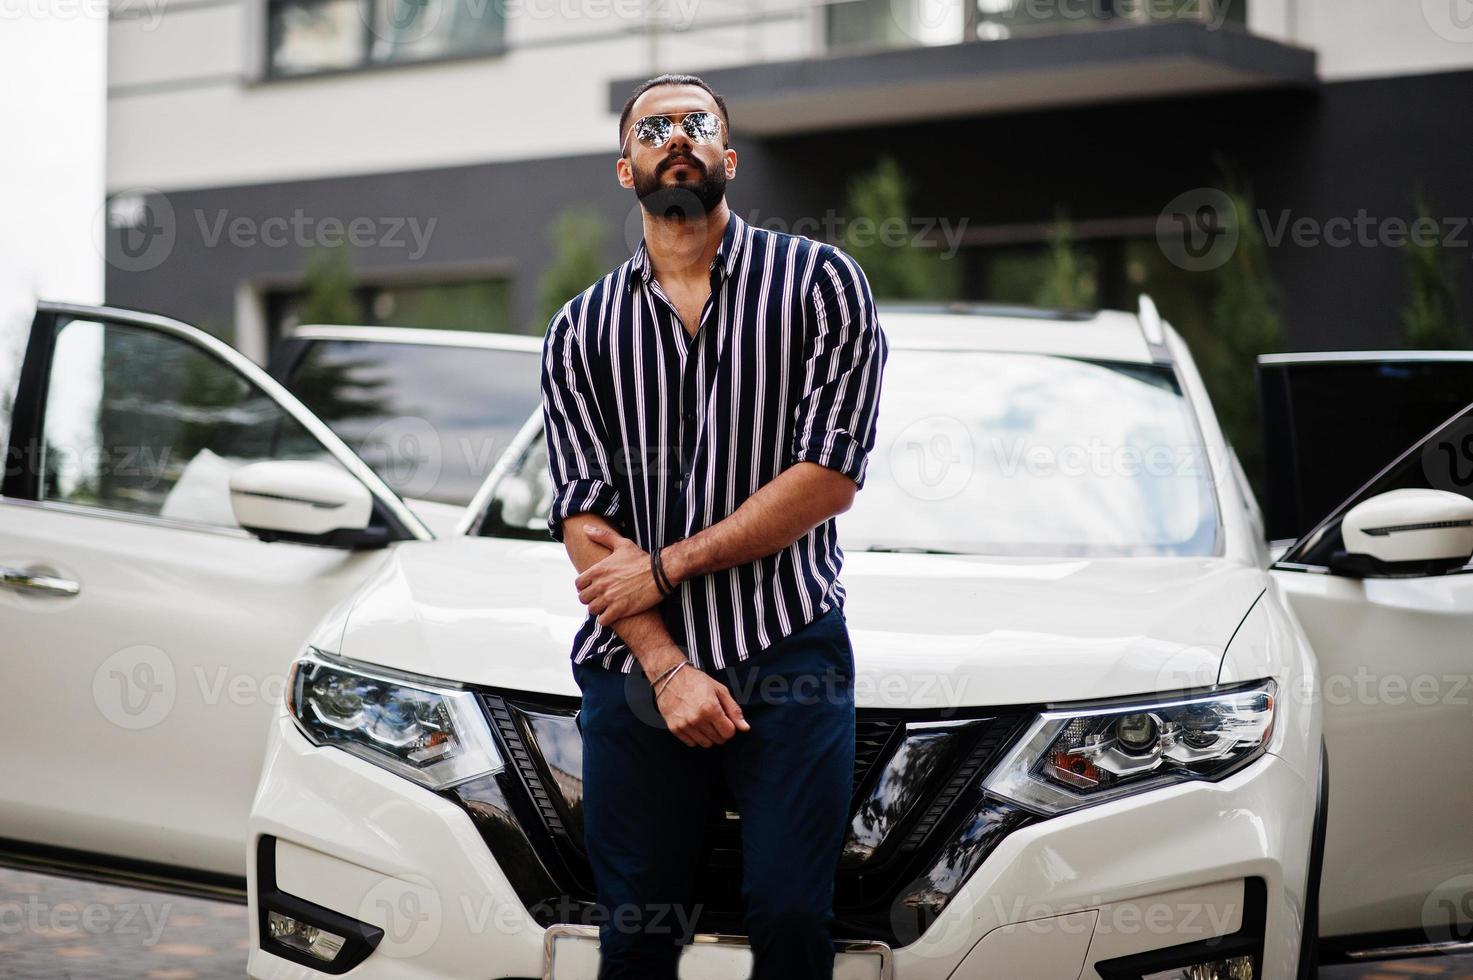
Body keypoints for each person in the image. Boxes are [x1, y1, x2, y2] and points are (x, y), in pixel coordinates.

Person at [539, 71, 889, 980]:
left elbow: (826, 477)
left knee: (787, 920)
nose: (676, 136)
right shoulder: (581, 330)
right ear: (627, 169)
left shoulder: (821, 286)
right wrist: (667, 667)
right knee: (639, 940)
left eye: (697, 122)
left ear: (727, 157)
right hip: (634, 672)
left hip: (788, 650)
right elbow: (584, 515)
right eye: (654, 127)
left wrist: (664, 567)